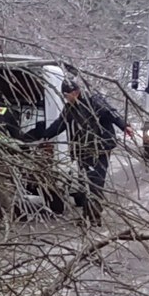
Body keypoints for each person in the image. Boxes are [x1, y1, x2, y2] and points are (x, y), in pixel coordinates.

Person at [20, 75, 131, 222]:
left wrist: (125, 126)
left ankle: (93, 216)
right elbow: (59, 125)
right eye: (64, 96)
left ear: (75, 92)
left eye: (67, 95)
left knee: (95, 182)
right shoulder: (70, 108)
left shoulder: (93, 102)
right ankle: (88, 214)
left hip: (100, 148)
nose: (66, 98)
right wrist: (42, 136)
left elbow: (111, 114)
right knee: (85, 182)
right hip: (82, 149)